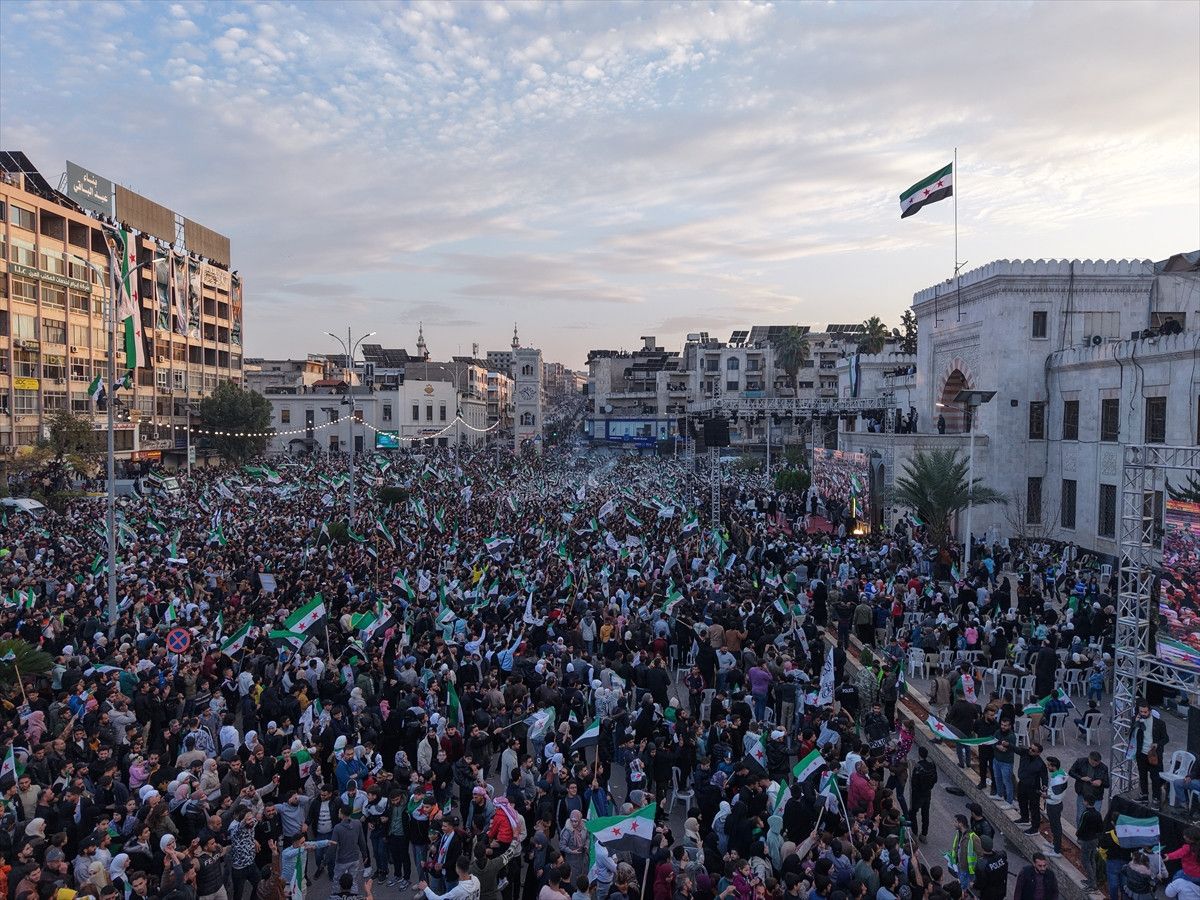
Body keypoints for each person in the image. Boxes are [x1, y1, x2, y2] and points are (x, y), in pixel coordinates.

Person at [1130, 700, 1170, 805]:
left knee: (1155, 778)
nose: (1143, 714)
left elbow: (1166, 738)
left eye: (1145, 712)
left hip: (1153, 754)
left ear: (1150, 711)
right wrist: (1136, 724)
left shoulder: (1159, 723)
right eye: (1141, 712)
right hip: (1141, 753)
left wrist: (1157, 744)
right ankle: (1144, 796)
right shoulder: (1136, 720)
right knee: (1142, 776)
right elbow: (1131, 735)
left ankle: (1156, 798)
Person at [909, 746, 937, 842]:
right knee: (925, 814)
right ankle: (924, 834)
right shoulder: (932, 765)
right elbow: (935, 779)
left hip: (918, 795)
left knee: (912, 813)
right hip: (927, 793)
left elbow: (913, 783)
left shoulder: (918, 767)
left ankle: (915, 833)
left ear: (919, 755)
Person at [1043, 755, 1068, 857]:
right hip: (1055, 805)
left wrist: (1046, 795)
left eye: (1049, 765)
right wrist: (1048, 789)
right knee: (1054, 826)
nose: (1047, 766)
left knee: (1056, 827)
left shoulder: (1057, 780)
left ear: (1054, 766)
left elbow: (1057, 796)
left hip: (1054, 806)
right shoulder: (1061, 774)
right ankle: (1054, 844)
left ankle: (1056, 851)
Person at [972, 834, 1008, 900]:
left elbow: (980, 883)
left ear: (981, 847)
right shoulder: (1002, 855)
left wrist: (973, 885)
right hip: (1001, 891)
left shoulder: (981, 864)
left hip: (988, 895)